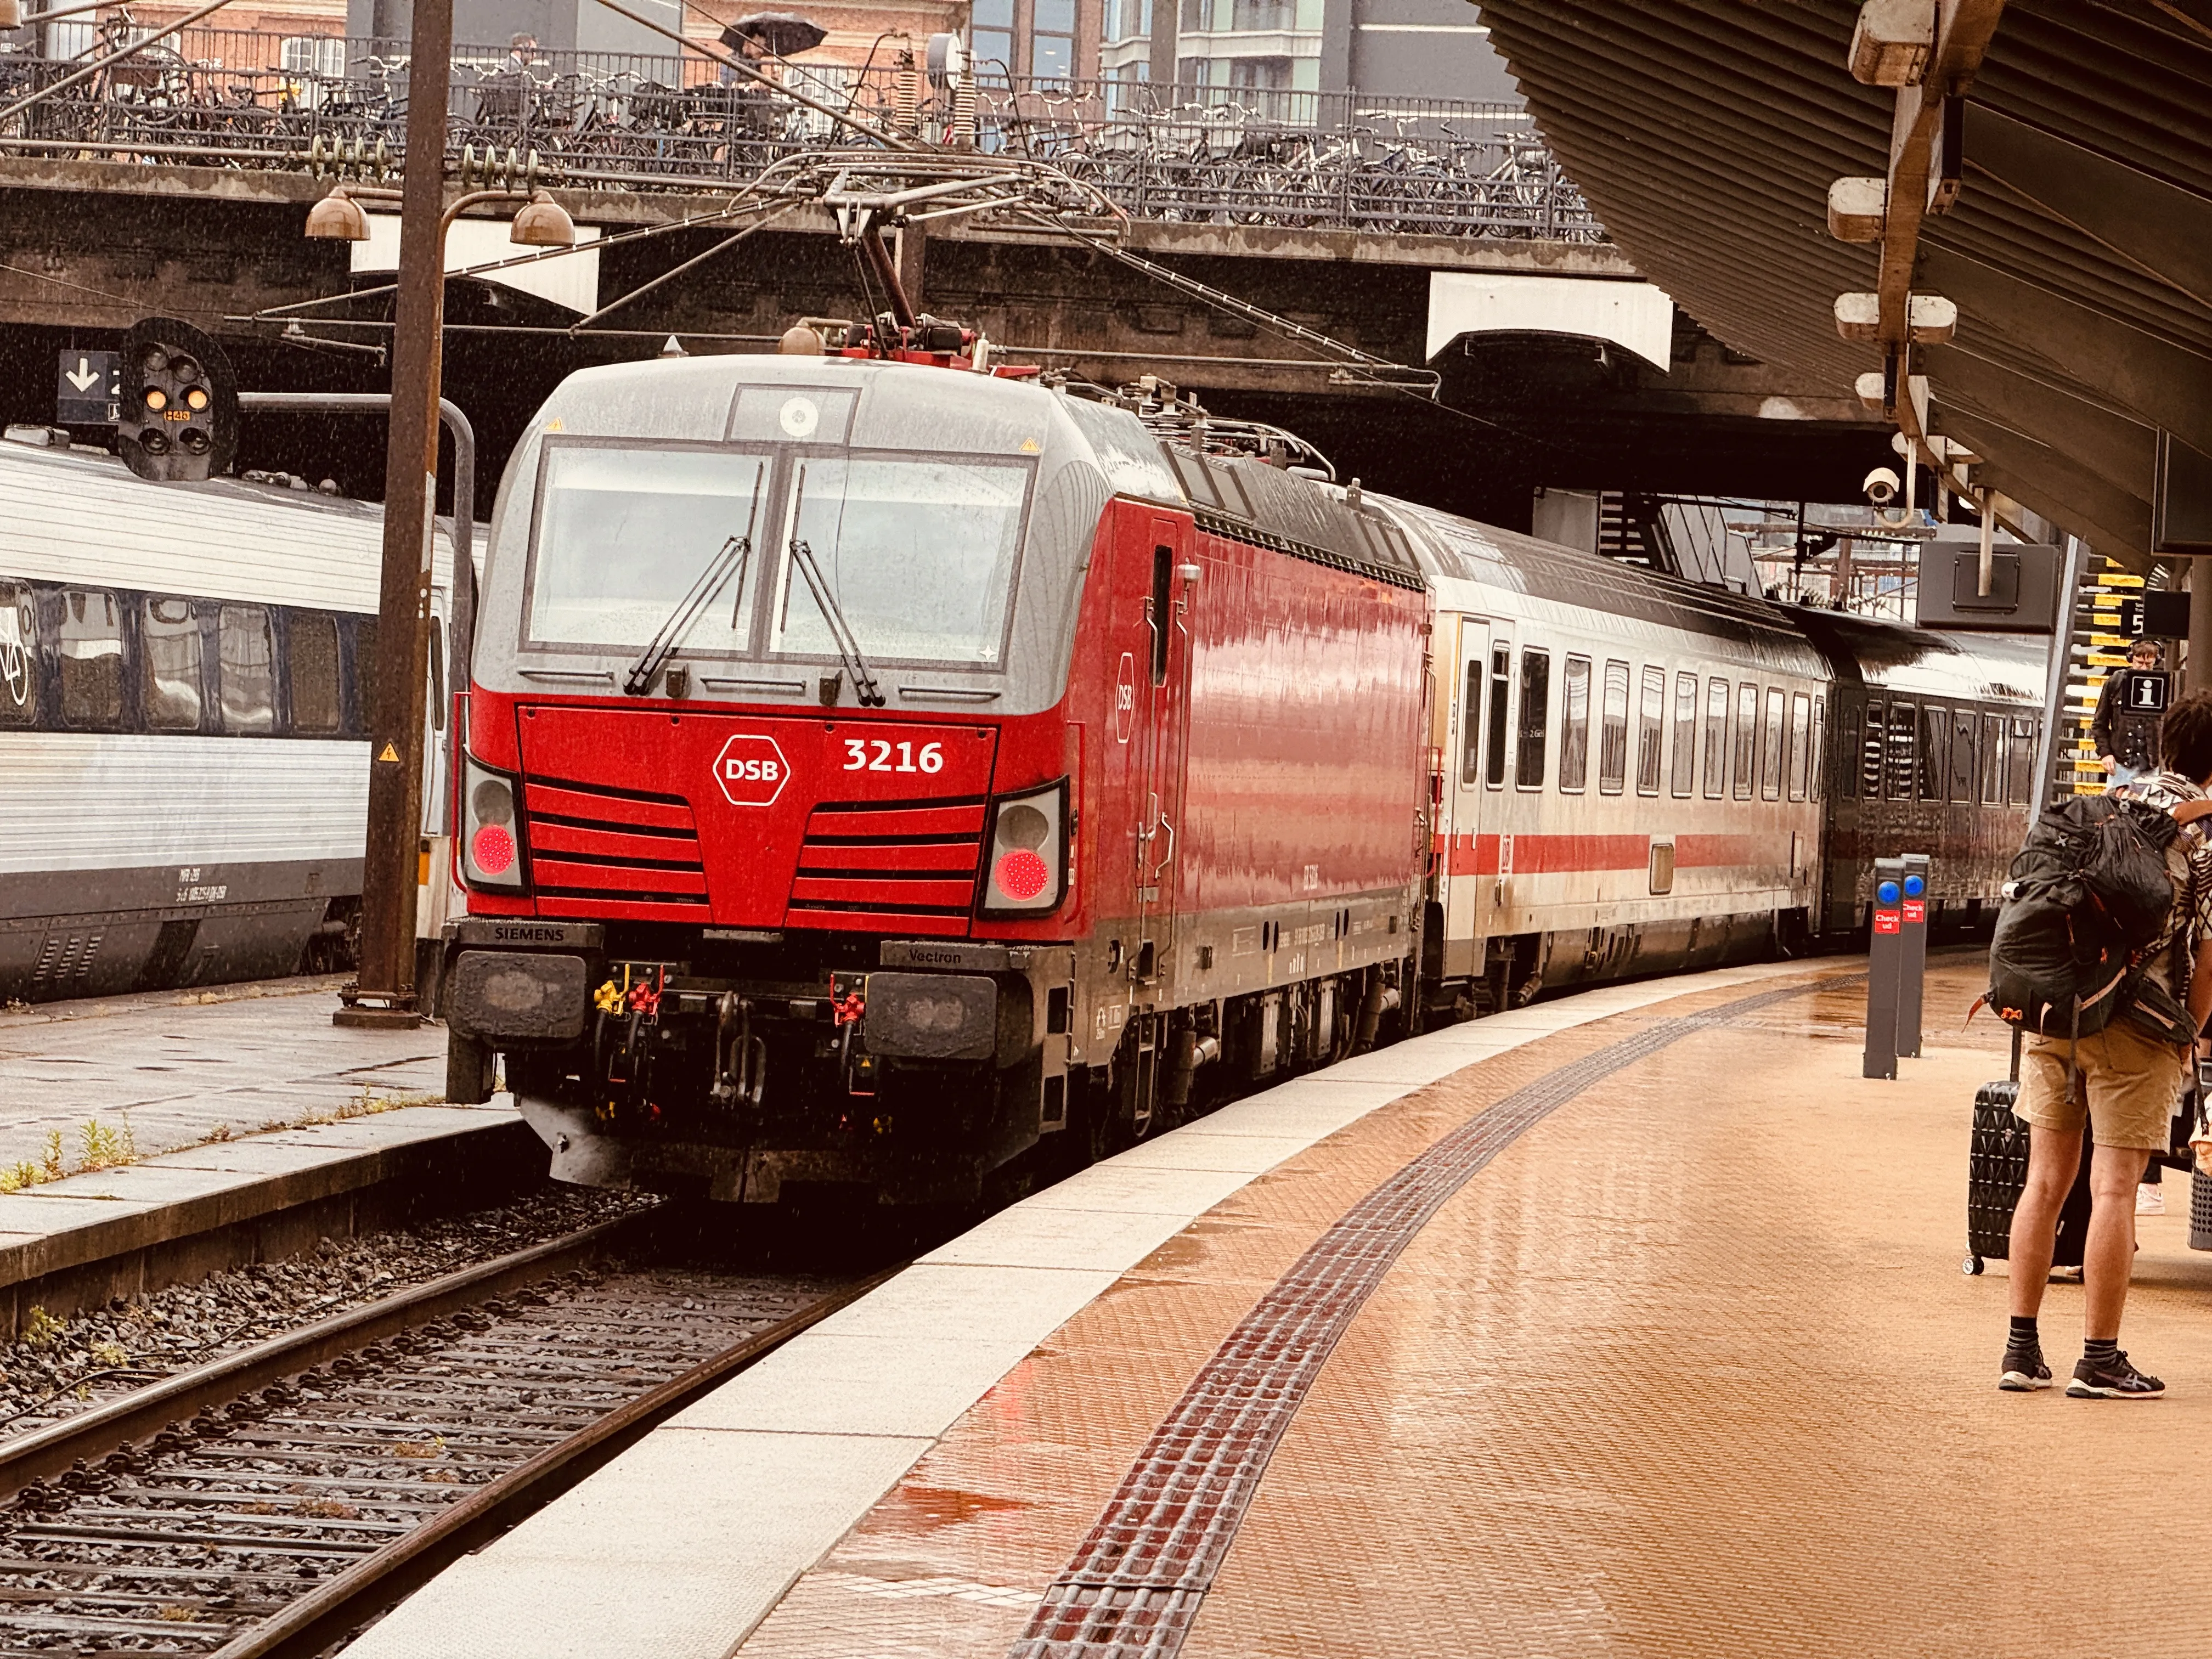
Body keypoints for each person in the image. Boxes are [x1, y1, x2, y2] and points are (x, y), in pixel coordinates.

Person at [2002, 690, 2212, 1398]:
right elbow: (2208, 960)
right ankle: (2099, 1357)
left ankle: (2021, 1351)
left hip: (2056, 1013)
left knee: (2044, 1183)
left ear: (2166, 745)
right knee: (2115, 1187)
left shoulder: (2107, 801)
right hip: (2138, 1028)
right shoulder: (2205, 834)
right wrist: (2188, 1035)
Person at [2092, 638, 2166, 789]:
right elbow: (2099, 723)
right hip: (2120, 764)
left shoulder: (2163, 686)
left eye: (2149, 664)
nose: (2144, 669)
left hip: (2151, 766)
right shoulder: (2116, 682)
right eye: (2139, 663)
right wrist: (2105, 754)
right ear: (2131, 659)